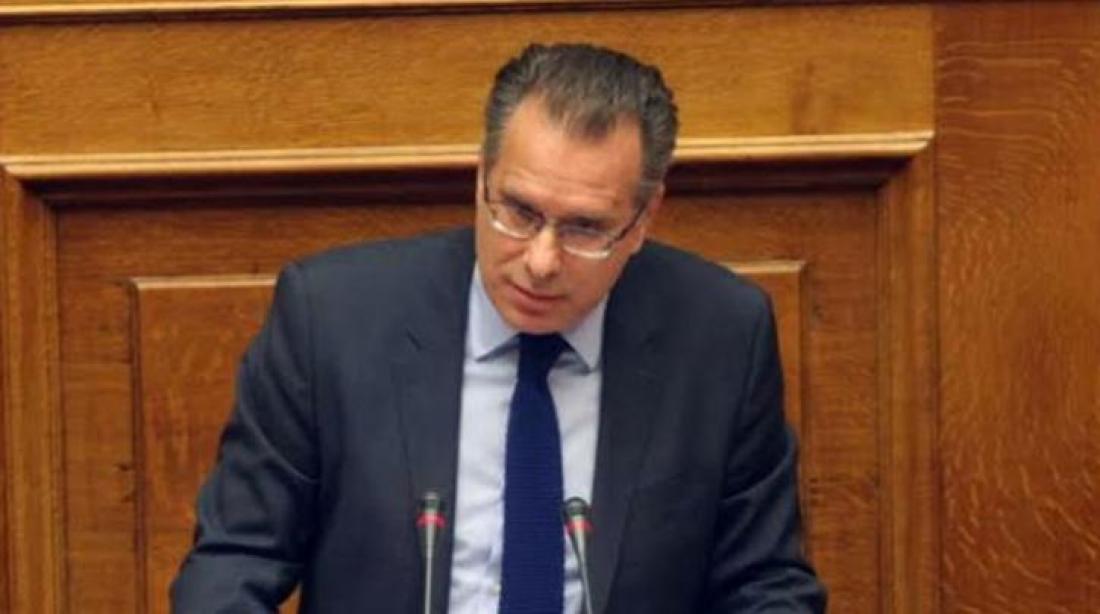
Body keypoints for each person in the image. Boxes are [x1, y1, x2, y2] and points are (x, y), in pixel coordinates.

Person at [171, 42, 826, 613]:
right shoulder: (333, 319)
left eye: (585, 228)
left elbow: (765, 586)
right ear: (482, 177)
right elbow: (232, 566)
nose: (541, 260)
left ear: (644, 218)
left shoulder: (719, 336)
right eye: (518, 211)